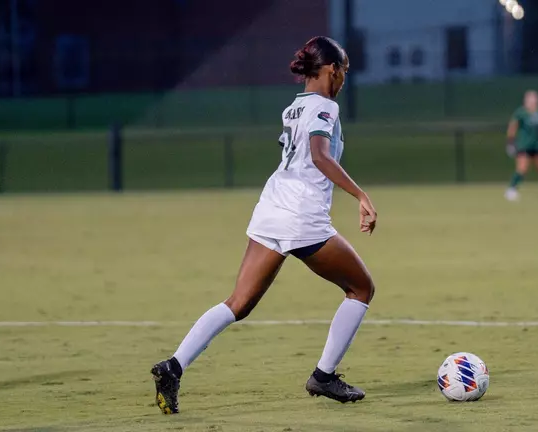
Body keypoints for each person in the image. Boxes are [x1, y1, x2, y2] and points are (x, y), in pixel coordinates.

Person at [150, 36, 377, 414]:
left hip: (271, 207)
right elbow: (319, 156)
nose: (343, 79)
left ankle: (172, 367)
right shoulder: (325, 107)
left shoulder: (293, 107)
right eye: (343, 71)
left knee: (238, 303)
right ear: (330, 70)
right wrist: (361, 195)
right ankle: (324, 375)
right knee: (361, 288)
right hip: (301, 217)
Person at [504, 90, 538, 201]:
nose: (533, 102)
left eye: (535, 99)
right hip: (524, 145)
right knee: (522, 168)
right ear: (526, 101)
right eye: (531, 100)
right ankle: (511, 190)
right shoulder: (521, 113)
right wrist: (510, 142)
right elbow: (512, 127)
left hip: (536, 145)